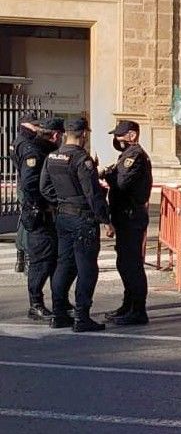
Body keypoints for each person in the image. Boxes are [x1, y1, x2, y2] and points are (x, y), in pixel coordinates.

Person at [40, 118, 109, 332]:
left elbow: (44, 187)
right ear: (84, 134)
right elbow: (92, 193)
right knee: (87, 268)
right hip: (82, 219)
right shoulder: (81, 159)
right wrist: (105, 219)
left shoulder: (52, 157)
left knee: (64, 265)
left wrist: (61, 201)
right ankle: (81, 316)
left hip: (63, 217)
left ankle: (59, 314)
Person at [102, 120, 153, 325]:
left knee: (132, 265)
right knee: (124, 263)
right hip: (124, 215)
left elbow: (122, 182)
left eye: (121, 135)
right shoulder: (126, 155)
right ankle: (128, 304)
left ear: (132, 135)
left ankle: (138, 310)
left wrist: (109, 177)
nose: (118, 139)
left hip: (131, 215)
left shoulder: (135, 156)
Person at [14, 115, 62, 321]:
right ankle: (36, 304)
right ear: (56, 135)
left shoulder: (47, 151)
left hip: (50, 215)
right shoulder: (33, 151)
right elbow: (30, 185)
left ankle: (60, 301)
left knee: (54, 260)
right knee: (41, 262)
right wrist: (49, 202)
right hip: (39, 214)